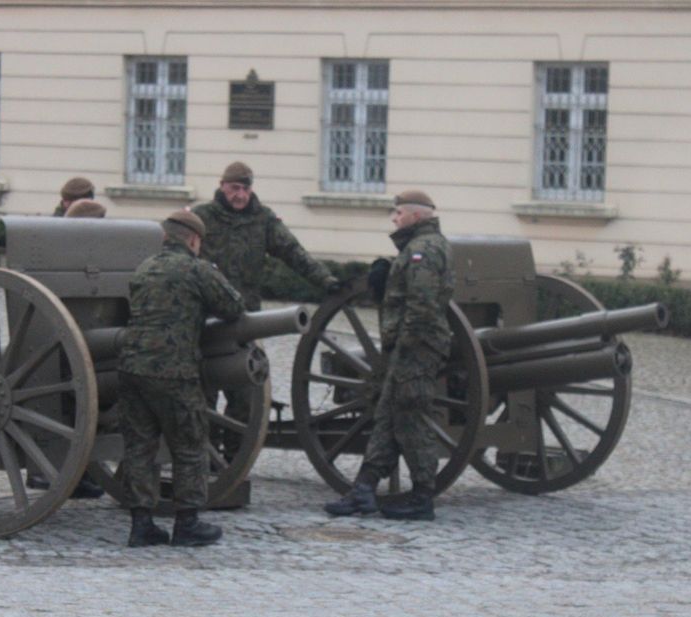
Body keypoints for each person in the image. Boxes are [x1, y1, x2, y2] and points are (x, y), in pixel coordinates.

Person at [193, 162, 341, 456]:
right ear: (222, 186)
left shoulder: (263, 220)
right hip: (204, 318)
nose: (240, 195)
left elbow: (293, 252)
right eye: (235, 188)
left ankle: (235, 459)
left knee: (246, 393)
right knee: (203, 392)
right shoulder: (201, 218)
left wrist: (325, 280)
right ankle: (202, 458)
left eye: (246, 188)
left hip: (243, 319)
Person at [118, 210, 245, 547]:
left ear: (165, 237)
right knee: (190, 445)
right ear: (192, 239)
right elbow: (234, 307)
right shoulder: (196, 269)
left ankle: (141, 524)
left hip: (131, 368)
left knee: (140, 447)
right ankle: (187, 523)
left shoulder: (145, 268)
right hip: (174, 371)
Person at [324, 190, 452, 521]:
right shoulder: (418, 247)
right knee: (387, 416)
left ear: (416, 216)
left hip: (416, 348)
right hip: (408, 348)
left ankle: (423, 496)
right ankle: (363, 489)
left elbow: (421, 305)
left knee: (411, 416)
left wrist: (406, 345)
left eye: (398, 213)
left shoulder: (422, 250)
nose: (394, 219)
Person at [26, 186, 107, 497]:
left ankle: (79, 471)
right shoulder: (52, 252)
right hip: (50, 354)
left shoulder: (94, 257)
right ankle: (47, 471)